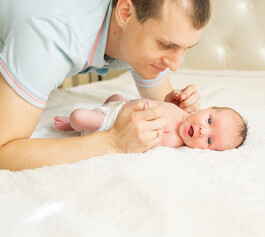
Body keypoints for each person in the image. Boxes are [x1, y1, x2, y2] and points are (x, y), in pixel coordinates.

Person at [0, 0, 211, 170]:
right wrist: (112, 141)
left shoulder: (133, 38)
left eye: (186, 49)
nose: (174, 65)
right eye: (165, 45)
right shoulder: (51, 36)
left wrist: (174, 108)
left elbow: (161, 103)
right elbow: (3, 151)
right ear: (125, 13)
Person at [54, 94, 248, 150]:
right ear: (207, 108)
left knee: (79, 116)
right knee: (114, 96)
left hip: (114, 121)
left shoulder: (174, 140)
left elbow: (147, 138)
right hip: (122, 103)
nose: (201, 131)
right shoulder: (182, 111)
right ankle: (105, 107)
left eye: (208, 141)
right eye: (209, 121)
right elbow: (162, 104)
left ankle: (73, 126)